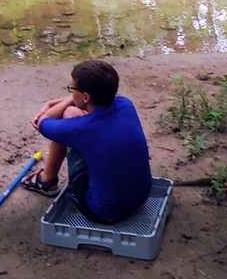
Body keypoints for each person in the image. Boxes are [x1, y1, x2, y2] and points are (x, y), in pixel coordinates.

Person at [22, 59, 152, 223]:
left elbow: (42, 121)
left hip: (103, 211)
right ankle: (48, 178)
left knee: (67, 116)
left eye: (72, 89)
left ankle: (47, 180)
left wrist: (48, 105)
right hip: (140, 199)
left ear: (86, 97)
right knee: (71, 115)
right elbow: (83, 102)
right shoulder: (126, 104)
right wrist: (62, 99)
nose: (70, 93)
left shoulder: (82, 129)